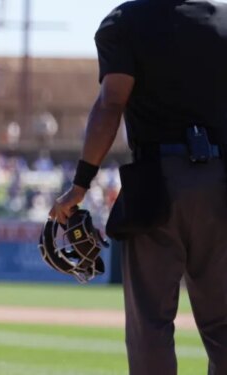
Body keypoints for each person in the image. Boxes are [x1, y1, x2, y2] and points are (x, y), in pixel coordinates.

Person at [49, 1, 227, 374]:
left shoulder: (125, 20)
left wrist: (81, 184)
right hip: (220, 182)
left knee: (151, 325)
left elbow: (111, 104)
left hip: (157, 181)